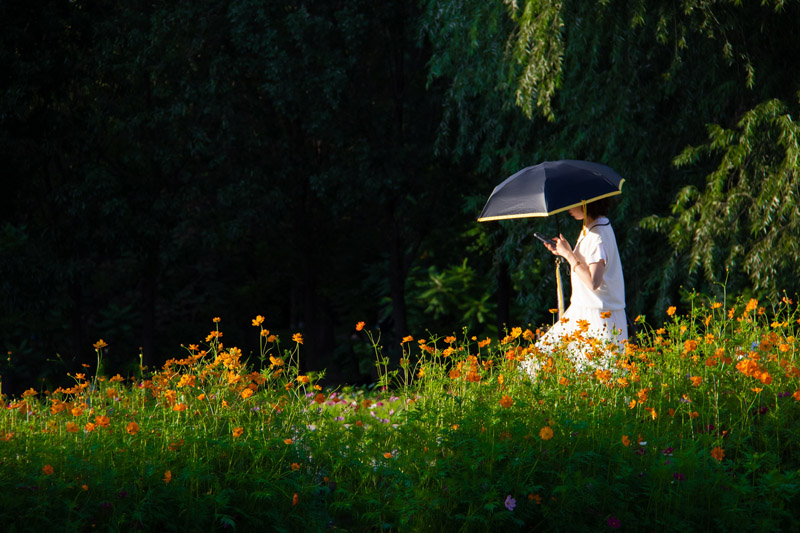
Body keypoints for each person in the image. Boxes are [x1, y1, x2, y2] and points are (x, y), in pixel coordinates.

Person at [523, 197, 627, 377]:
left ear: (587, 203)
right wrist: (564, 252)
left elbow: (594, 282)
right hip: (582, 313)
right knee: (535, 362)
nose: (568, 208)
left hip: (598, 319)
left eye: (573, 202)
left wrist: (568, 254)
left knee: (602, 386)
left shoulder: (598, 236)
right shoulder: (592, 228)